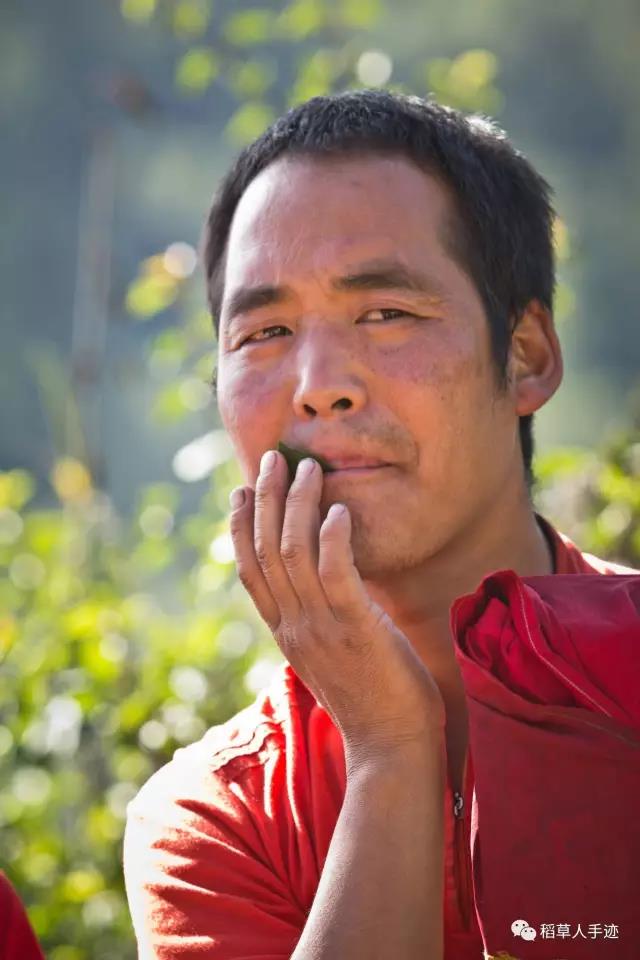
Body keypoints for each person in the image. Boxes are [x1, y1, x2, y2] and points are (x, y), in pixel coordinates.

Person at [123, 89, 637, 959]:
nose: (319, 386)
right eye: (266, 331)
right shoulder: (220, 819)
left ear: (526, 356)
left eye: (387, 314)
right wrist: (390, 750)